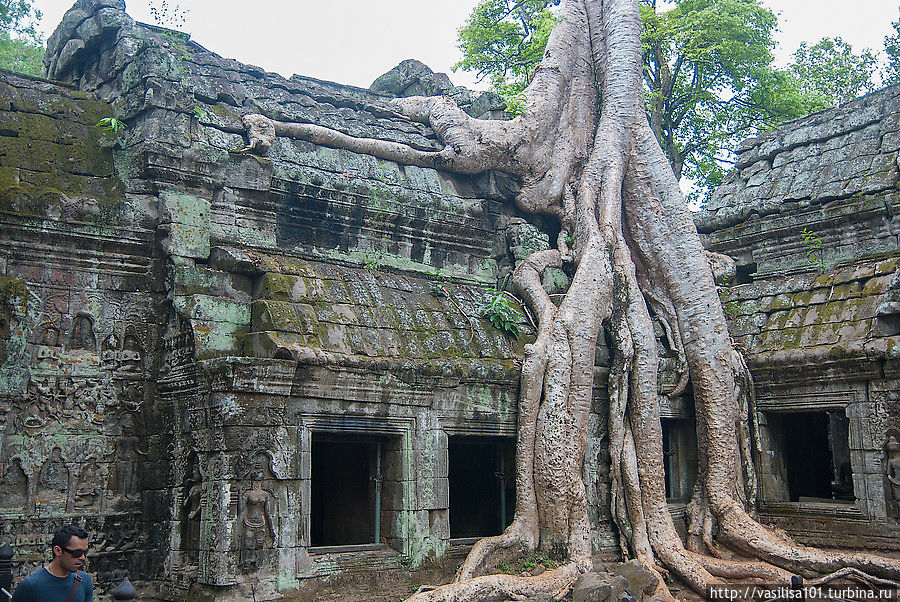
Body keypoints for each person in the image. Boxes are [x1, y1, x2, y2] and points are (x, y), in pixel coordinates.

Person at [11, 525, 93, 601]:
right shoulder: (30, 586)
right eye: (77, 553)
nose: (82, 558)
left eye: (85, 552)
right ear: (58, 551)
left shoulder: (84, 580)